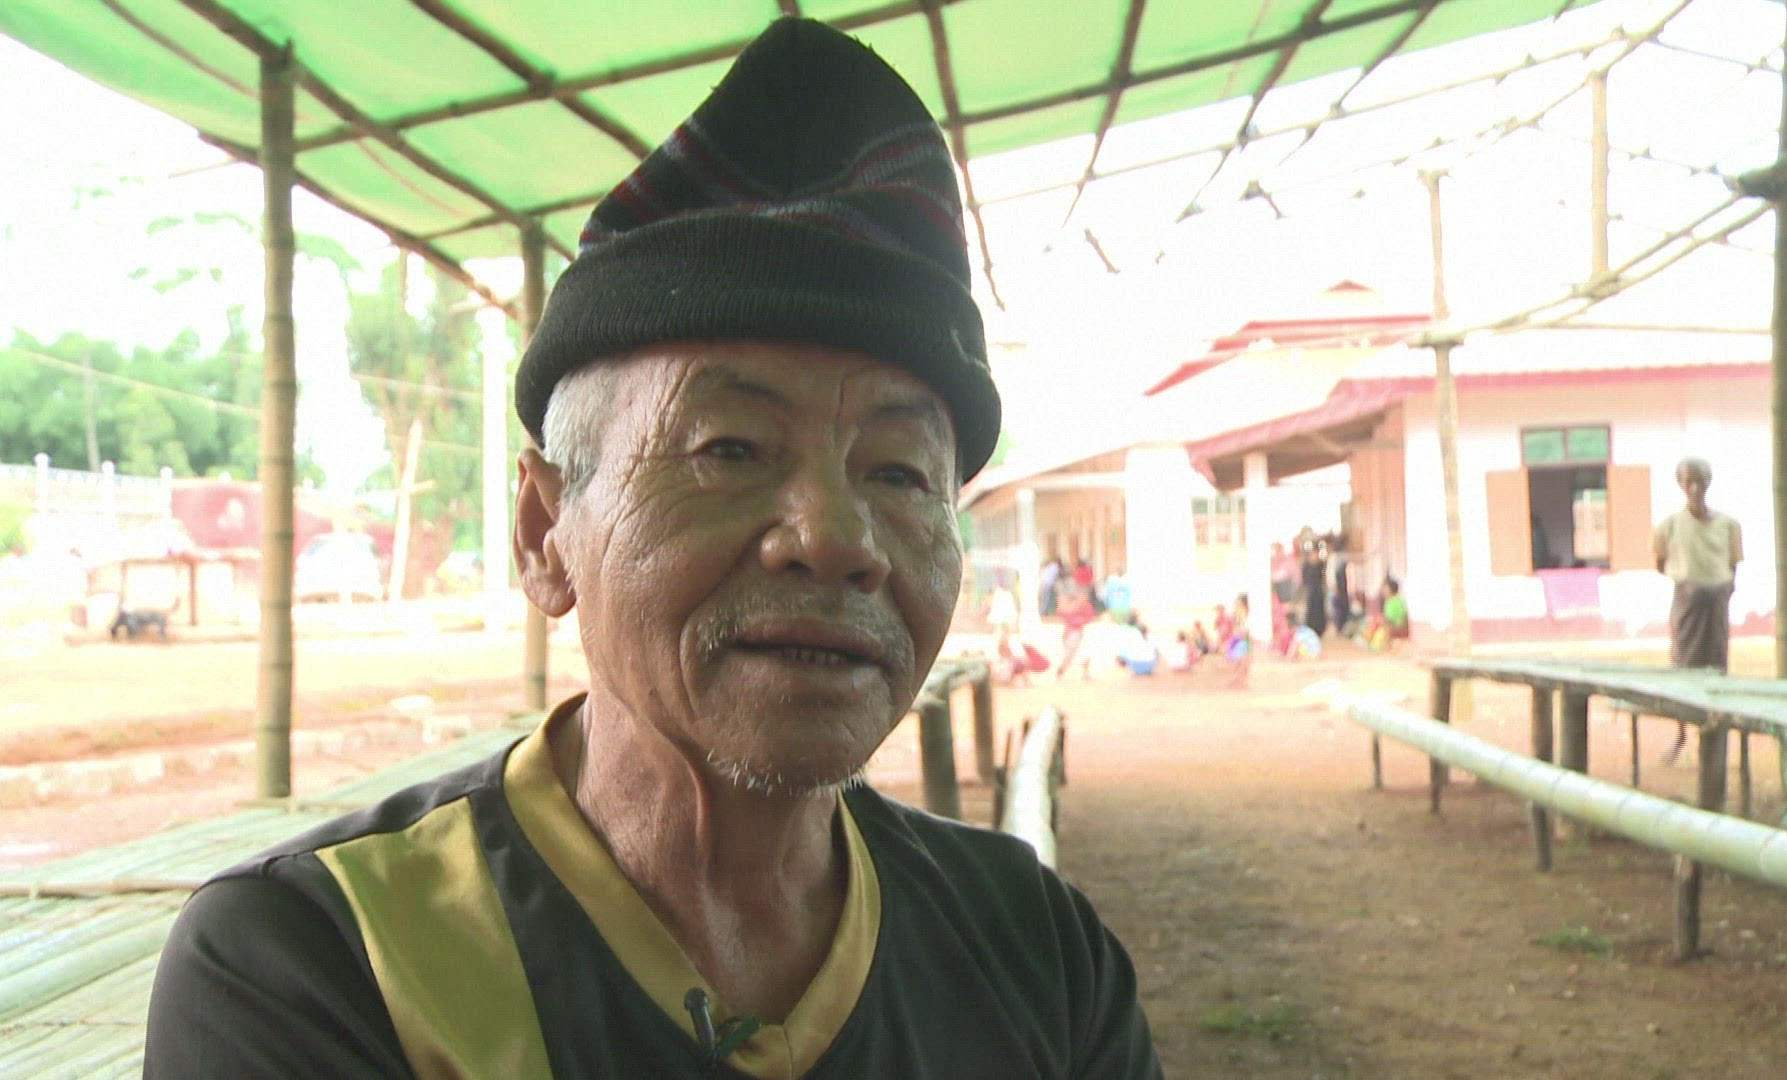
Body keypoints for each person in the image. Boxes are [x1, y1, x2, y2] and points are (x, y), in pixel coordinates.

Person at [144, 21, 1160, 1079]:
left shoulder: (1041, 954)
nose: (837, 540)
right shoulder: (325, 966)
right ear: (545, 534)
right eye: (731, 448)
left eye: (900, 473)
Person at [1652, 456, 1743, 762]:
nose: (1694, 488)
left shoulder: (1728, 525)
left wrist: (1722, 588)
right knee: (1683, 663)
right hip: (1687, 601)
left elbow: (1733, 564)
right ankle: (1681, 734)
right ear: (1680, 485)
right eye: (1688, 481)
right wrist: (1689, 583)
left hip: (1717, 601)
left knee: (1716, 662)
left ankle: (1714, 732)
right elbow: (1660, 563)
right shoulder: (1669, 526)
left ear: (1709, 483)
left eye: (1700, 481)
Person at [1055, 579, 1098, 681]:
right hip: (1071, 633)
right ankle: (1061, 671)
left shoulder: (1086, 606)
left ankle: (1085, 673)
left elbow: (1090, 617)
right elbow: (1062, 614)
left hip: (1080, 632)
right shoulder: (1070, 605)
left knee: (1084, 653)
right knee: (1069, 654)